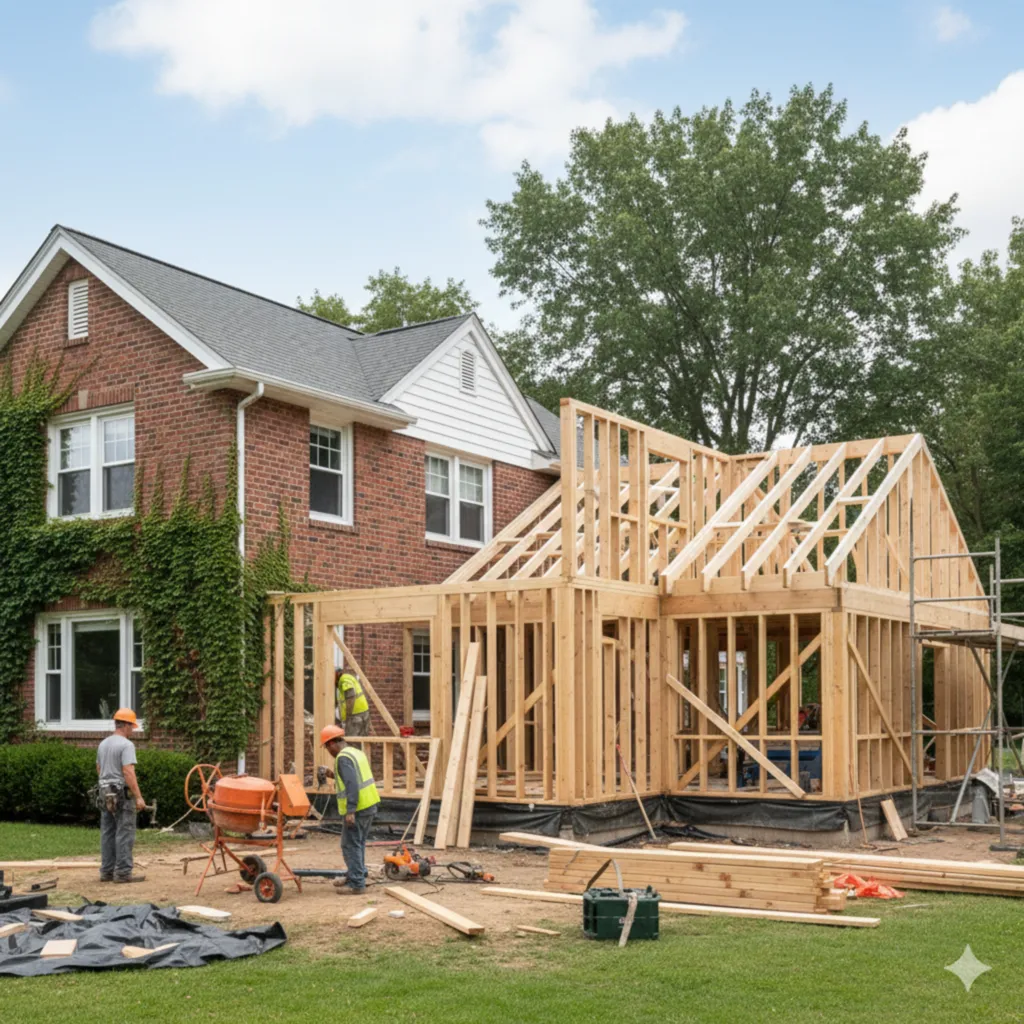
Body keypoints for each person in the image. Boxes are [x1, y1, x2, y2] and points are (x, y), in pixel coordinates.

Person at [320, 724, 380, 895]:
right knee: (358, 843)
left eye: (327, 747)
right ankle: (357, 874)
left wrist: (350, 810)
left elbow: (352, 784)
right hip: (369, 804)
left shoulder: (343, 758)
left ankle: (356, 883)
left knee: (350, 845)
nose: (328, 751)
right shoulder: (355, 752)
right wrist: (332, 774)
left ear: (332, 743)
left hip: (358, 808)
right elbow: (352, 777)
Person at [95, 708, 147, 883]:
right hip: (120, 792)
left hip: (104, 793)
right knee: (125, 831)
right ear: (124, 725)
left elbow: (99, 769)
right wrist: (138, 796)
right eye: (131, 726)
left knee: (108, 832)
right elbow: (128, 771)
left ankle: (107, 871)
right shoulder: (126, 745)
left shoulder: (103, 744)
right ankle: (123, 872)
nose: (132, 730)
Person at [335, 667, 371, 736]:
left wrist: (348, 717)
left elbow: (350, 697)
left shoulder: (344, 680)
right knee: (362, 741)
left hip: (355, 715)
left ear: (337, 675)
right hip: (364, 713)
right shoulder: (349, 678)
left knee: (352, 742)